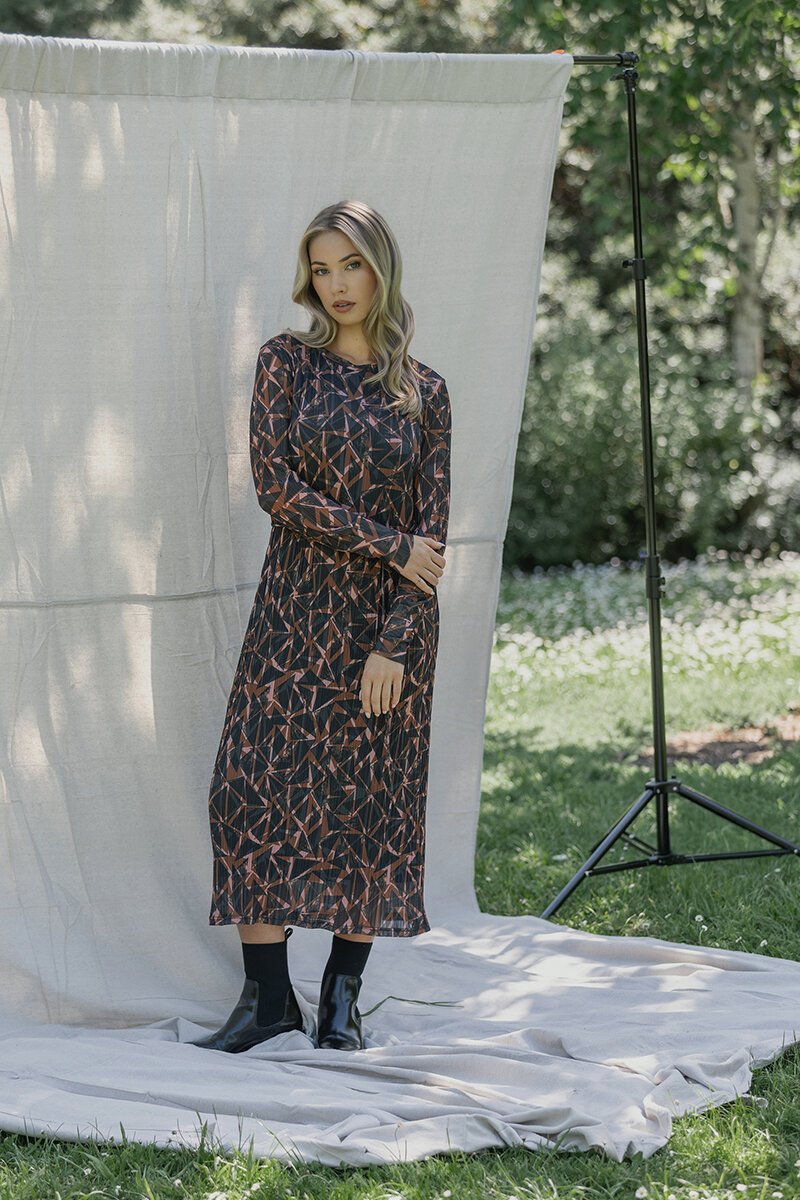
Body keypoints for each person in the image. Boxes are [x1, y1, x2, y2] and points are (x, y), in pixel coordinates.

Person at [189, 199, 452, 1054]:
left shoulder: (426, 394)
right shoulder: (286, 363)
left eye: (352, 265)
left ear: (382, 269)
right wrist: (389, 542)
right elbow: (276, 487)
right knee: (245, 792)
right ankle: (268, 999)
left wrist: (394, 645)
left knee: (368, 804)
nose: (337, 284)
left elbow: (432, 544)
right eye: (322, 268)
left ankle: (342, 1000)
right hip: (293, 614)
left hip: (383, 631)